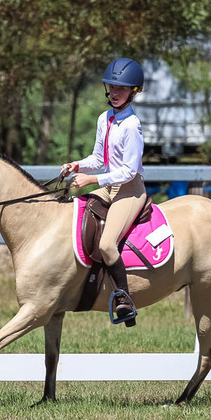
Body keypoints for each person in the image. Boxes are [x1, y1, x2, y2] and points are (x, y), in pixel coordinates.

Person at [61, 58, 146, 325]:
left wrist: (91, 180)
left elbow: (129, 171)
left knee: (107, 244)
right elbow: (98, 157)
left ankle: (124, 299)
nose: (115, 93)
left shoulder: (132, 126)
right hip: (109, 185)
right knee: (76, 215)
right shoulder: (105, 118)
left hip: (129, 191)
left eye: (122, 89)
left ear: (134, 92)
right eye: (111, 87)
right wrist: (76, 164)